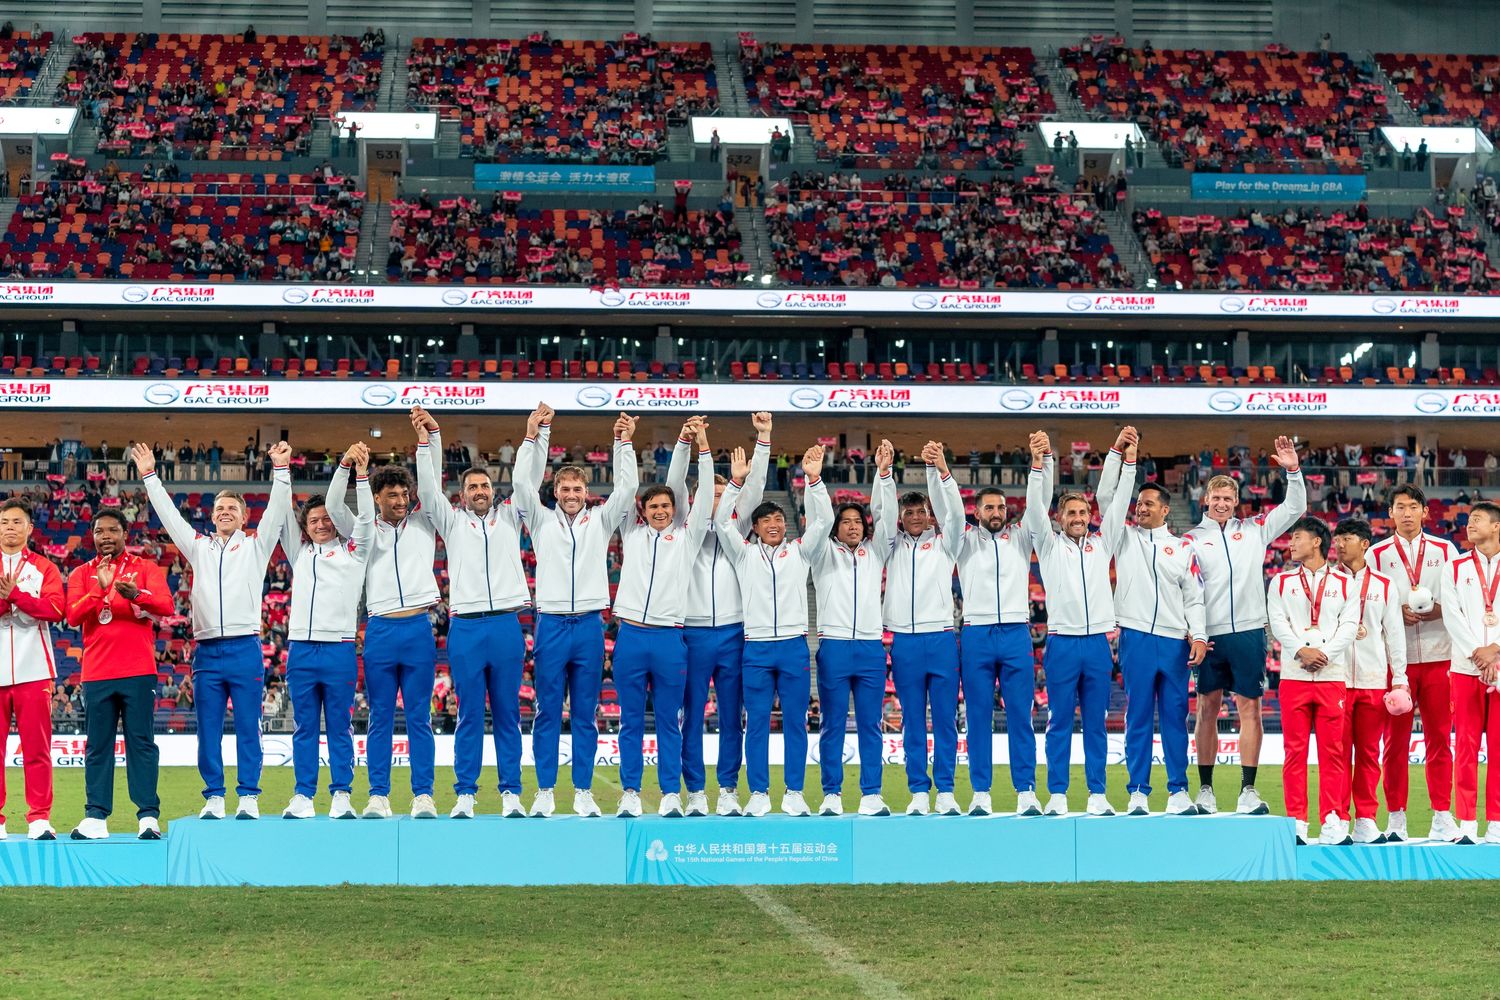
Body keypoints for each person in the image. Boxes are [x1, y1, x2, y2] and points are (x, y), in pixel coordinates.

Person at [135, 440, 292, 820]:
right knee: (208, 729)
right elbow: (170, 517)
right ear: (212, 515)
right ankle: (215, 796)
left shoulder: (256, 547)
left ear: (243, 518)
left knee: (248, 728)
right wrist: (150, 477)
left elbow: (275, 512)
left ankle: (249, 796)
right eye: (219, 508)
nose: (224, 512)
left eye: (231, 509)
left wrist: (282, 470)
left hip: (244, 648)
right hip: (206, 651)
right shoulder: (199, 547)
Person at [512, 404, 638, 818]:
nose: (570, 496)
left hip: (587, 624)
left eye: (577, 490)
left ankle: (583, 790)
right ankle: (545, 790)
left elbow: (628, 488)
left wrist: (623, 442)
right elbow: (519, 483)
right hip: (549, 624)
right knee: (547, 712)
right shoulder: (541, 521)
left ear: (587, 494)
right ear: (555, 493)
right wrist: (535, 434)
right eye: (564, 490)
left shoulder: (601, 522)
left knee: (585, 714)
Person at [411, 407, 531, 819]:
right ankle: (465, 792)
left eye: (484, 484)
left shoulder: (512, 516)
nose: (479, 490)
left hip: (505, 626)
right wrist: (430, 438)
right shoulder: (451, 521)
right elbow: (428, 488)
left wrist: (535, 434)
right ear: (462, 494)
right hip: (465, 627)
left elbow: (527, 480)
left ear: (492, 490)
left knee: (507, 715)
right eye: (472, 486)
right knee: (468, 715)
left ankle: (511, 792)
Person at [1183, 436, 1304, 815]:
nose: (1221, 503)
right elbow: (1188, 591)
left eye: (1228, 498)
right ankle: (1205, 789)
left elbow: (1295, 507)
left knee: (1250, 709)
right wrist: (1195, 632)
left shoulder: (1255, 529)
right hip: (1211, 636)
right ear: (1206, 500)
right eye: (1215, 498)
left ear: (1236, 502)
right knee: (1207, 709)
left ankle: (1248, 791)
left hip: (1251, 631)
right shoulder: (1190, 539)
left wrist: (1292, 470)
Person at [715, 443, 831, 817]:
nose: (774, 525)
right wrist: (734, 484)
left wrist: (814, 480)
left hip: (795, 646)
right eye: (766, 522)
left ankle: (794, 792)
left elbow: (824, 522)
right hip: (758, 649)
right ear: (755, 528)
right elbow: (721, 523)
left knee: (796, 722)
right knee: (757, 725)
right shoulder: (743, 554)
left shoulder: (801, 551)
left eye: (778, 520)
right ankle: (760, 793)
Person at [1097, 428, 1207, 817]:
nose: (1139, 509)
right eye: (1138, 504)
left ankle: (1178, 791)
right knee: (1139, 716)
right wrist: (1120, 455)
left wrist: (1200, 636)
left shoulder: (1183, 548)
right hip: (1137, 637)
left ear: (1165, 509)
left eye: (1147, 504)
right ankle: (1138, 792)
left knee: (1176, 718)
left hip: (1176, 642)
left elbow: (1194, 596)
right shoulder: (1124, 538)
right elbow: (1106, 498)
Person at [327, 442, 439, 820]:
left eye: (404, 494)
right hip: (380, 629)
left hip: (418, 626)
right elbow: (330, 506)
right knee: (380, 717)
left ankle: (423, 794)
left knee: (420, 717)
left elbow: (432, 483)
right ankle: (378, 795)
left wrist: (427, 440)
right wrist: (345, 466)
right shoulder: (363, 530)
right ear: (376, 498)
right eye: (392, 495)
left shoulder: (425, 522)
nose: (401, 500)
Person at [609, 418, 715, 817]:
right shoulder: (630, 532)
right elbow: (624, 489)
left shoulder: (687, 538)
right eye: (652, 506)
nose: (658, 510)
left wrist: (701, 447)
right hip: (632, 637)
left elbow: (704, 496)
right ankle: (631, 792)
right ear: (643, 511)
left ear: (675, 510)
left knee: (670, 721)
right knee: (630, 722)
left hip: (670, 638)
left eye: (665, 506)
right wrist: (624, 443)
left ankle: (672, 792)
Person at [1025, 430, 1132, 815]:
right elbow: (1034, 509)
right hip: (1063, 644)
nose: (1078, 517)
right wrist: (1039, 465)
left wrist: (1125, 459)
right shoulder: (1048, 545)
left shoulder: (1103, 544)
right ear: (1059, 518)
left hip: (1098, 645)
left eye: (1083, 512)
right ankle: (1056, 794)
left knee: (1097, 725)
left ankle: (1098, 795)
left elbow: (1119, 505)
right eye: (1071, 512)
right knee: (1058, 724)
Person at [673, 413, 771, 817]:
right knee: (691, 716)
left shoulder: (738, 529)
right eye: (708, 497)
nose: (716, 502)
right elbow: (676, 483)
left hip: (734, 632)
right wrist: (688, 445)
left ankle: (728, 788)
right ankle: (695, 790)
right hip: (693, 633)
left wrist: (764, 439)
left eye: (720, 496)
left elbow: (756, 488)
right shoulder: (683, 526)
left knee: (733, 716)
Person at [277, 443, 373, 820]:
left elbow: (365, 518)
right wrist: (281, 469)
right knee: (304, 727)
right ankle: (303, 795)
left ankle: (342, 794)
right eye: (313, 520)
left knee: (339, 726)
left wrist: (351, 470)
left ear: (335, 520)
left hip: (338, 649)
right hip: (301, 648)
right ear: (305, 526)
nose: (320, 524)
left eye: (326, 519)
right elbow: (280, 514)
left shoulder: (355, 552)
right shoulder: (297, 553)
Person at [65, 509, 171, 840]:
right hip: (97, 672)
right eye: (99, 531)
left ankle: (148, 817)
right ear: (92, 536)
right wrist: (101, 591)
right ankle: (96, 817)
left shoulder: (145, 569)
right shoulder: (82, 573)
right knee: (98, 745)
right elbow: (72, 615)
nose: (106, 536)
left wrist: (134, 594)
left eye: (113, 530)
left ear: (125, 533)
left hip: (138, 670)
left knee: (141, 743)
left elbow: (166, 605)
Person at [805, 439, 896, 817]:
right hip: (835, 646)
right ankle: (831, 794)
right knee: (832, 725)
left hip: (871, 648)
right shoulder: (822, 553)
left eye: (859, 522)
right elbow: (820, 520)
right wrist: (814, 482)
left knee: (872, 725)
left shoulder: (876, 552)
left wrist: (884, 475)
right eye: (847, 522)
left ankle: (872, 793)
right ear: (837, 528)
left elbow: (887, 516)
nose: (853, 527)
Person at [950, 452, 1040, 817]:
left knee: (1021, 716)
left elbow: (1037, 505)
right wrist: (941, 471)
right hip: (976, 633)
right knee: (978, 717)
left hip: (1017, 632)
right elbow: (948, 510)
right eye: (989, 507)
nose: (997, 512)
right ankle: (981, 792)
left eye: (1001, 507)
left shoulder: (1021, 539)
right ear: (977, 511)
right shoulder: (964, 540)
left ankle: (1026, 791)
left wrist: (1039, 465)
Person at [879, 442, 965, 816]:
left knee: (944, 720)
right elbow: (880, 513)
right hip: (905, 642)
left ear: (930, 516)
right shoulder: (890, 545)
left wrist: (939, 470)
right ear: (901, 516)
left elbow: (956, 514)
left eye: (921, 511)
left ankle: (945, 790)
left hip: (942, 638)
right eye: (909, 511)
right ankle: (918, 791)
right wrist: (884, 473)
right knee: (913, 721)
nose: (915, 516)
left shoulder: (947, 544)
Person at [1368, 483, 1457, 842]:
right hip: (1395, 662)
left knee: (1439, 740)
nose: (1406, 513)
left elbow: (1459, 598)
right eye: (1399, 507)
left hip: (1440, 656)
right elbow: (1369, 604)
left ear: (1425, 512)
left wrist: (1439, 610)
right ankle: (1396, 818)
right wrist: (1394, 614)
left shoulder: (1446, 550)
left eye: (1413, 507)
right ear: (1390, 513)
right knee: (1395, 743)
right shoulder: (1375, 555)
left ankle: (1441, 815)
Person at [1267, 517, 1360, 845]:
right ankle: (1297, 821)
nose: (1290, 544)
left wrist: (1323, 654)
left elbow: (1349, 626)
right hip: (1294, 675)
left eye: (1297, 537)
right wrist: (1300, 652)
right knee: (1295, 751)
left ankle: (1332, 819)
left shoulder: (1346, 583)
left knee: (1333, 752)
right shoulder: (1280, 582)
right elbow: (1278, 624)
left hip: (1332, 676)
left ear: (1317, 541)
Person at [1332, 518, 1408, 844]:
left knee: (1367, 754)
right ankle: (1335, 817)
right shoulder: (1327, 581)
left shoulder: (1384, 585)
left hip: (1373, 679)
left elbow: (1395, 635)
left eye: (1346, 538)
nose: (1339, 544)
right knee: (1336, 754)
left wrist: (1400, 679)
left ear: (1364, 544)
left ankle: (1364, 818)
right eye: (1337, 539)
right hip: (1334, 680)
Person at [0, 498, 63, 840]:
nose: (9, 527)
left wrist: (17, 597)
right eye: (4, 522)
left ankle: (39, 818)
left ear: (29, 528)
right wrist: (11, 599)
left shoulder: (44, 568)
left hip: (34, 669)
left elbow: (55, 609)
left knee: (37, 749)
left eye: (16, 522)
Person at [1441, 499, 1500, 844]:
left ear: (1496, 526)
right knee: (1464, 746)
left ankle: (1495, 821)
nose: (1469, 524)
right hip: (1465, 668)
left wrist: (1496, 651)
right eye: (1468, 519)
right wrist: (1478, 653)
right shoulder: (1456, 566)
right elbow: (1452, 615)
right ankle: (1465, 821)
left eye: (1477, 519)